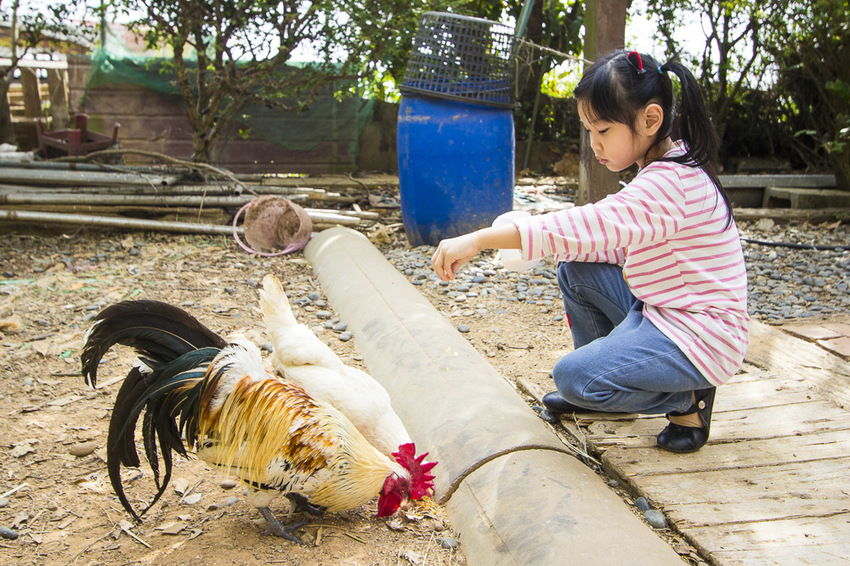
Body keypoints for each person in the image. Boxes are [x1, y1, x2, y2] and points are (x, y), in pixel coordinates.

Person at [431, 50, 749, 453]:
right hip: (663, 312)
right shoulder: (670, 165)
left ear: (650, 119)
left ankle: (687, 398)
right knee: (576, 266)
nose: (595, 144)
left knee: (572, 378)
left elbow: (588, 224)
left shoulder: (670, 183)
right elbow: (606, 239)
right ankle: (609, 390)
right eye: (589, 131)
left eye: (603, 130)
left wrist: (479, 239)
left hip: (701, 336)